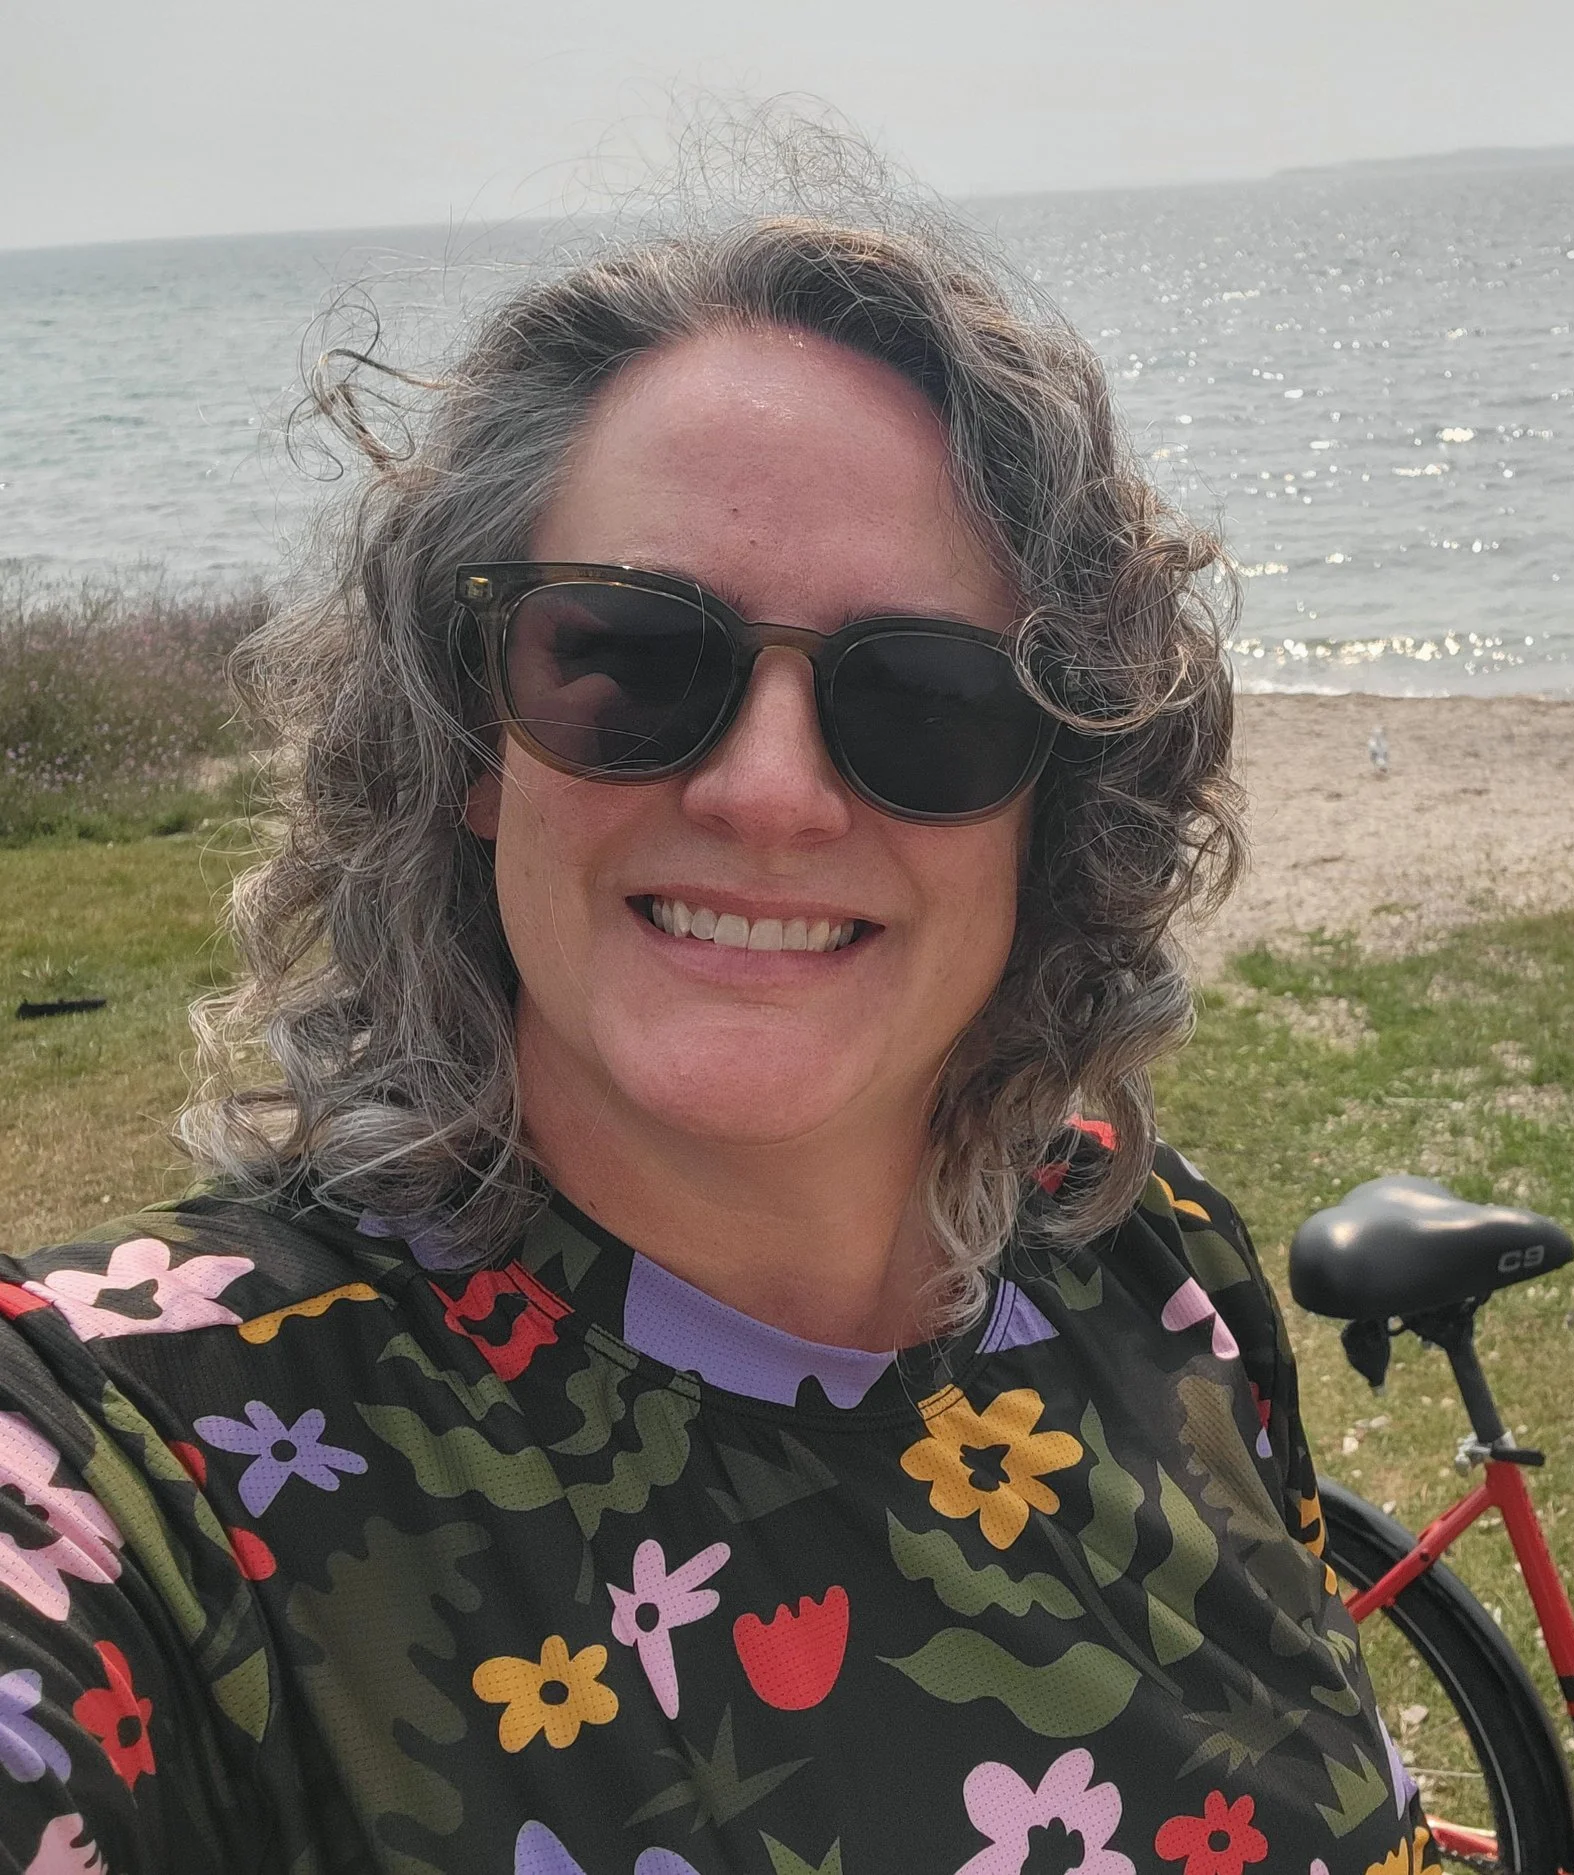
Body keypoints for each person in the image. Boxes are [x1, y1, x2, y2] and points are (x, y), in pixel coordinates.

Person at [0, 172, 1435, 1874]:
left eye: (926, 697)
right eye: (625, 656)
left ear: (1054, 808)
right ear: (475, 741)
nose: (767, 791)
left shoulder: (1142, 1257)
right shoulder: (140, 1462)